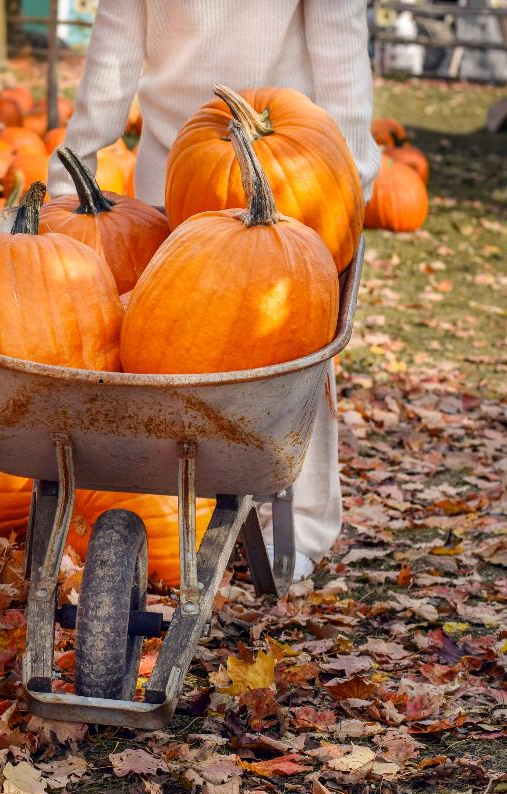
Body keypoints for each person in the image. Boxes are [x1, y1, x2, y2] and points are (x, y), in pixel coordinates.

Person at [48, 1, 381, 581]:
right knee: (176, 342)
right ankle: (184, 508)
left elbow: (340, 50)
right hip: (177, 167)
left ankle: (298, 523)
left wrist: (350, 177)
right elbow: (114, 47)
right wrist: (71, 169)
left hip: (291, 170)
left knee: (295, 347)